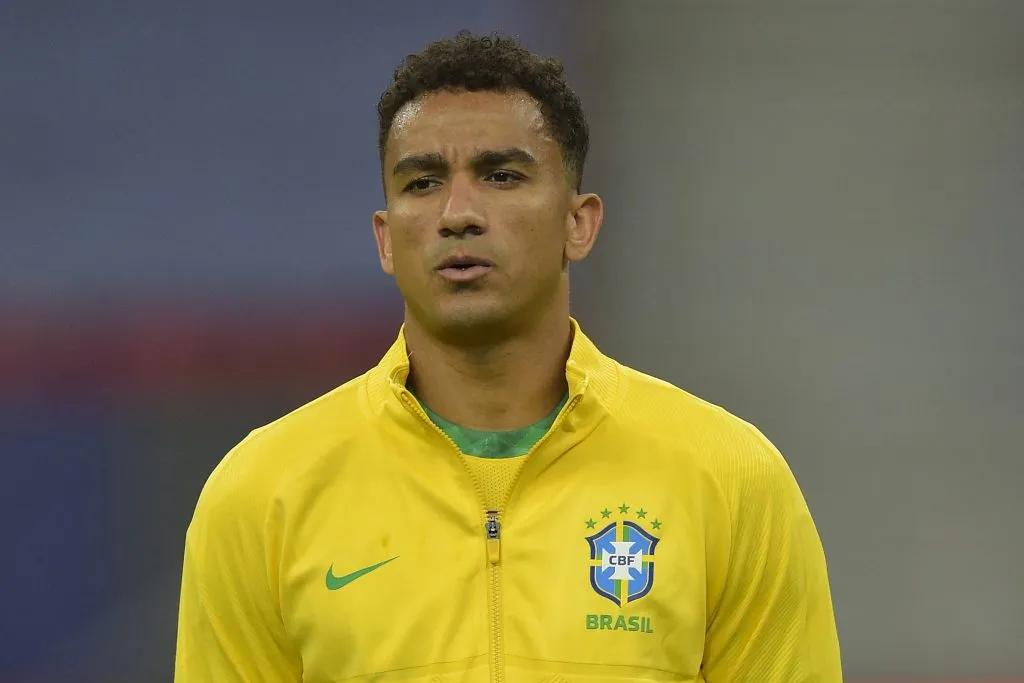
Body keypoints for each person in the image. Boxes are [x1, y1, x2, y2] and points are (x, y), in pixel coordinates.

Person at [174, 31, 842, 683]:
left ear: (578, 223)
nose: (458, 213)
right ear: (386, 239)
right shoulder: (262, 494)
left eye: (501, 175)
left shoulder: (729, 477)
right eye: (422, 183)